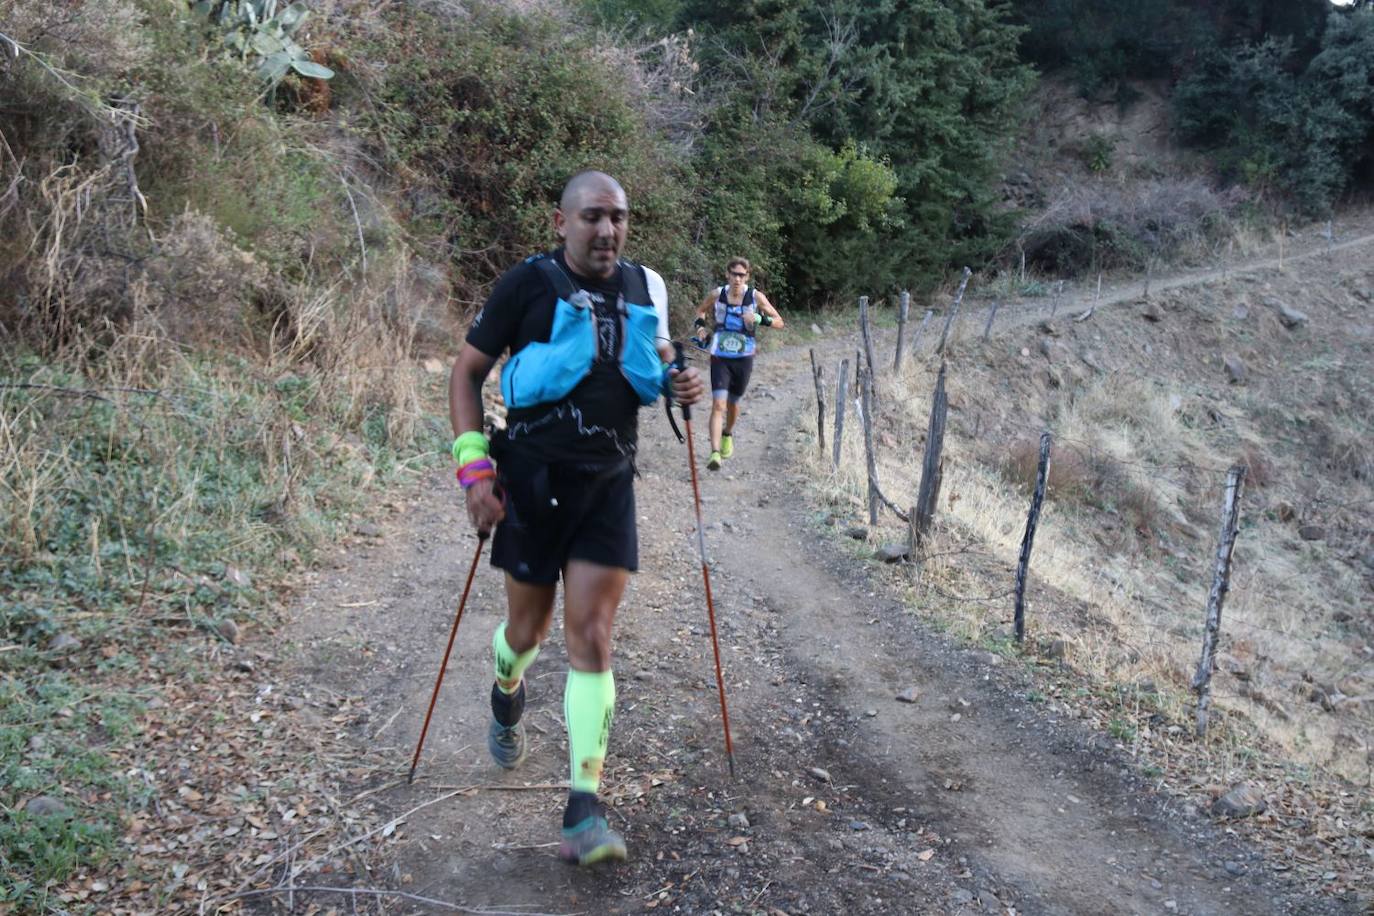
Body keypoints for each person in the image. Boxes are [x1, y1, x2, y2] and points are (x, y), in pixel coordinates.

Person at [448, 171, 704, 866]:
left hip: (607, 485)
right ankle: (506, 684)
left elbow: (658, 355)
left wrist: (684, 378)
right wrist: (475, 473)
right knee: (525, 633)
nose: (608, 230)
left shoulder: (645, 286)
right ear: (561, 223)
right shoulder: (525, 286)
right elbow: (466, 372)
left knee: (591, 632)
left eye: (618, 217)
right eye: (592, 216)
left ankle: (583, 805)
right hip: (530, 484)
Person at [693, 258, 784, 470]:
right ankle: (714, 453)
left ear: (747, 277)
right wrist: (701, 329)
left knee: (733, 404)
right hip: (720, 356)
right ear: (727, 274)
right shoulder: (718, 295)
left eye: (741, 275)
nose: (737, 278)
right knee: (718, 405)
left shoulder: (755, 297)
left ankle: (727, 433)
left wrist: (761, 320)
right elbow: (700, 311)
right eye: (734, 274)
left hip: (744, 359)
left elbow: (780, 321)